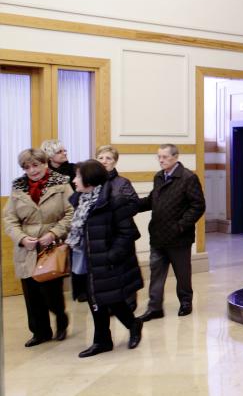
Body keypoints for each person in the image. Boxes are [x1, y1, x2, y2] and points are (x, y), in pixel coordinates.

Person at [68, 160, 144, 357]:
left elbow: (128, 233)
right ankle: (103, 340)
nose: (74, 180)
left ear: (90, 180)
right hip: (85, 261)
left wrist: (111, 256)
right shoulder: (79, 200)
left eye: (77, 176)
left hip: (107, 262)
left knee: (112, 299)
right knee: (96, 301)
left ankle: (131, 325)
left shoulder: (114, 201)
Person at [2, 148, 73, 347]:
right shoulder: (18, 187)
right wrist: (22, 238)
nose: (32, 170)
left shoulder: (61, 183)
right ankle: (40, 331)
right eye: (27, 167)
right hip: (27, 249)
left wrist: (53, 233)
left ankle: (60, 318)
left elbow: (70, 213)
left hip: (51, 246)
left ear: (44, 164)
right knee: (32, 294)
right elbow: (9, 219)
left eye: (36, 165)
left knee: (51, 292)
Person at [135, 144, 206, 321]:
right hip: (158, 235)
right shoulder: (159, 177)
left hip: (179, 237)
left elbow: (198, 206)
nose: (161, 160)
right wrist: (132, 205)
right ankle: (155, 307)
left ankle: (185, 302)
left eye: (165, 157)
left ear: (175, 157)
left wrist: (181, 226)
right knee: (156, 273)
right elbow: (153, 200)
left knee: (182, 273)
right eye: (159, 157)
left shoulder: (188, 177)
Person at [95, 144, 140, 311]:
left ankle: (130, 302)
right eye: (101, 158)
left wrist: (115, 214)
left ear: (115, 162)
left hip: (122, 233)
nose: (104, 161)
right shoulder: (92, 182)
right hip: (101, 235)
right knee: (108, 272)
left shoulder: (122, 182)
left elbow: (134, 205)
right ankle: (111, 303)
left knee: (126, 269)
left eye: (109, 158)